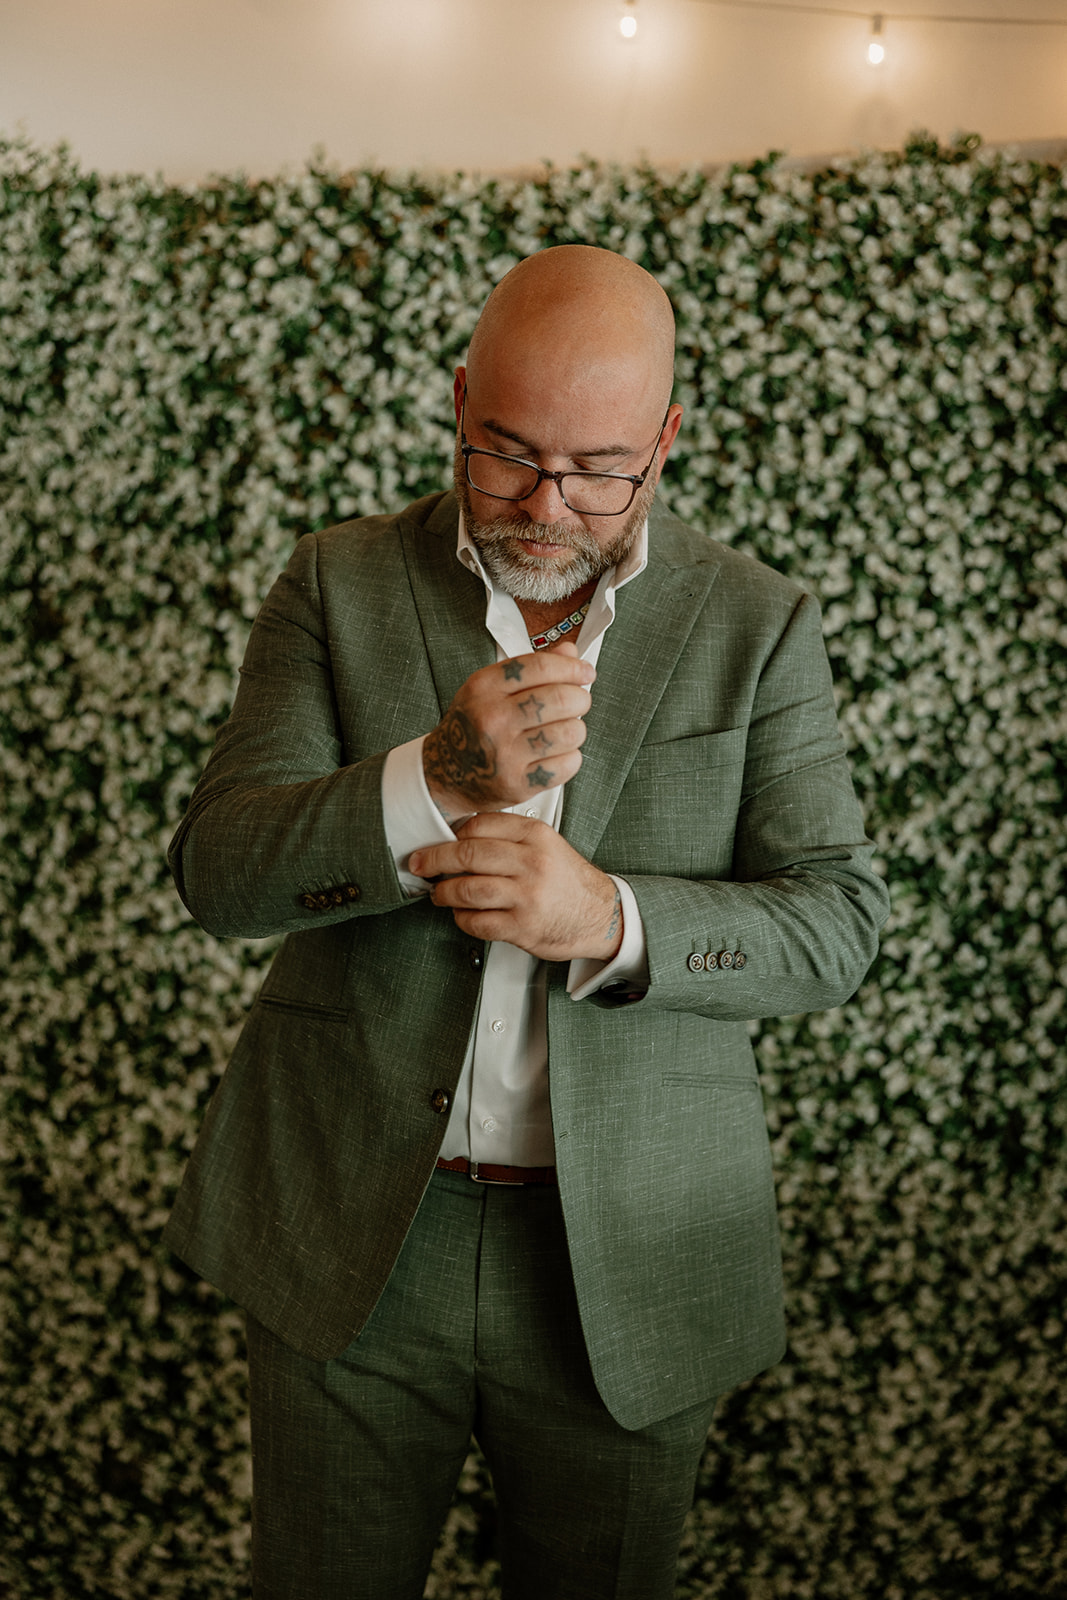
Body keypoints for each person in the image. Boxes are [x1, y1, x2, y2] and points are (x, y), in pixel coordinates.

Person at [165, 244, 889, 1599]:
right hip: (355, 1246)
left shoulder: (760, 624)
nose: (548, 505)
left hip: (633, 1256)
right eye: (505, 453)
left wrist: (608, 919)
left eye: (600, 465)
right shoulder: (335, 582)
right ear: (456, 399)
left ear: (667, 441)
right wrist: (430, 777)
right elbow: (217, 871)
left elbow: (838, 924)